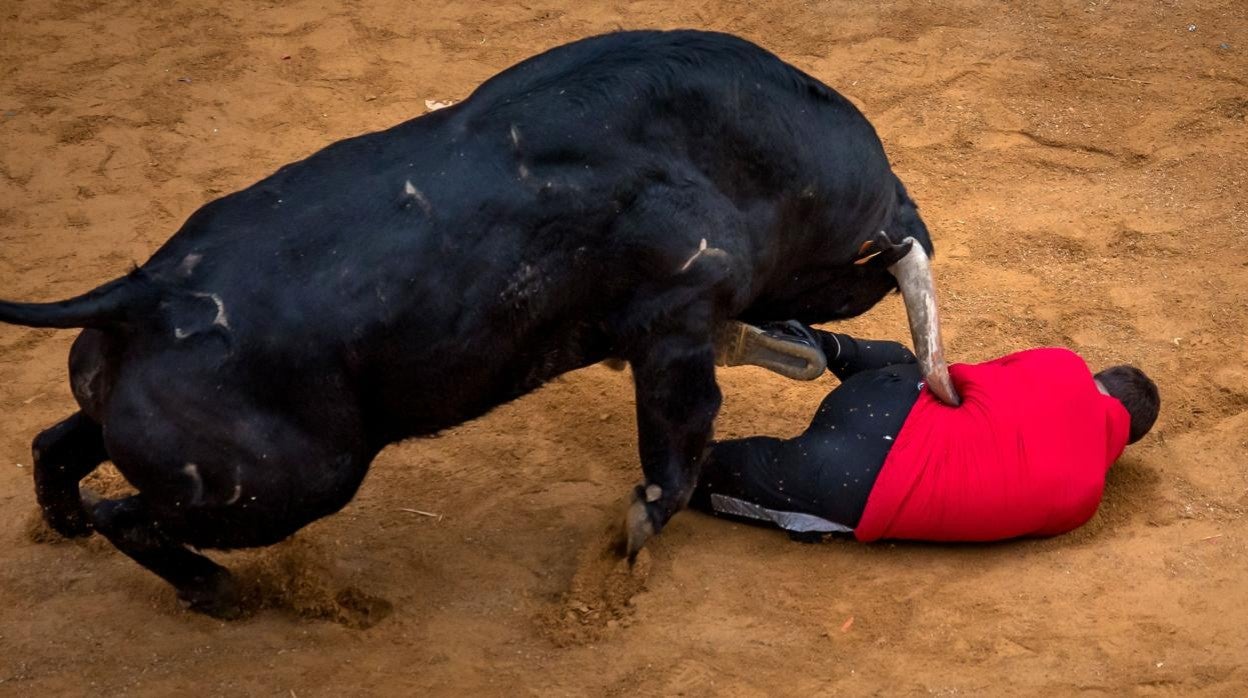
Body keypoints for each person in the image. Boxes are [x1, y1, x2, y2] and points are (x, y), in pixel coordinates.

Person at [692, 322, 1160, 543]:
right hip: (858, 482)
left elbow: (959, 378)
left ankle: (822, 344)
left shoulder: (1062, 365)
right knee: (703, 475)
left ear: (1102, 378)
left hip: (887, 394)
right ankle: (686, 475)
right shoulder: (1085, 499)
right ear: (1125, 441)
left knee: (910, 362)